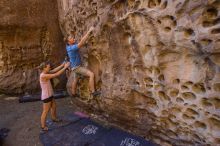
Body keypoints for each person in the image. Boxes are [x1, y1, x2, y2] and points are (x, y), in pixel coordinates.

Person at [66, 26, 100, 98]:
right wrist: (89, 31)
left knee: (76, 79)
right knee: (91, 74)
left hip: (74, 67)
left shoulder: (69, 47)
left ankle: (73, 93)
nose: (74, 39)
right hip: (77, 67)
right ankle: (93, 92)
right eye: (72, 38)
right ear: (69, 42)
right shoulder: (72, 48)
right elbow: (81, 43)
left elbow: (81, 44)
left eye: (73, 38)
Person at [38, 61, 70, 131]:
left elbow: (54, 70)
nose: (50, 68)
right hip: (46, 96)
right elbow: (56, 74)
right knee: (45, 111)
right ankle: (43, 126)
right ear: (44, 68)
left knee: (54, 106)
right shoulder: (43, 75)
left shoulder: (46, 72)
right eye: (48, 67)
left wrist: (62, 65)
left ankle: (54, 118)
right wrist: (65, 67)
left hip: (50, 94)